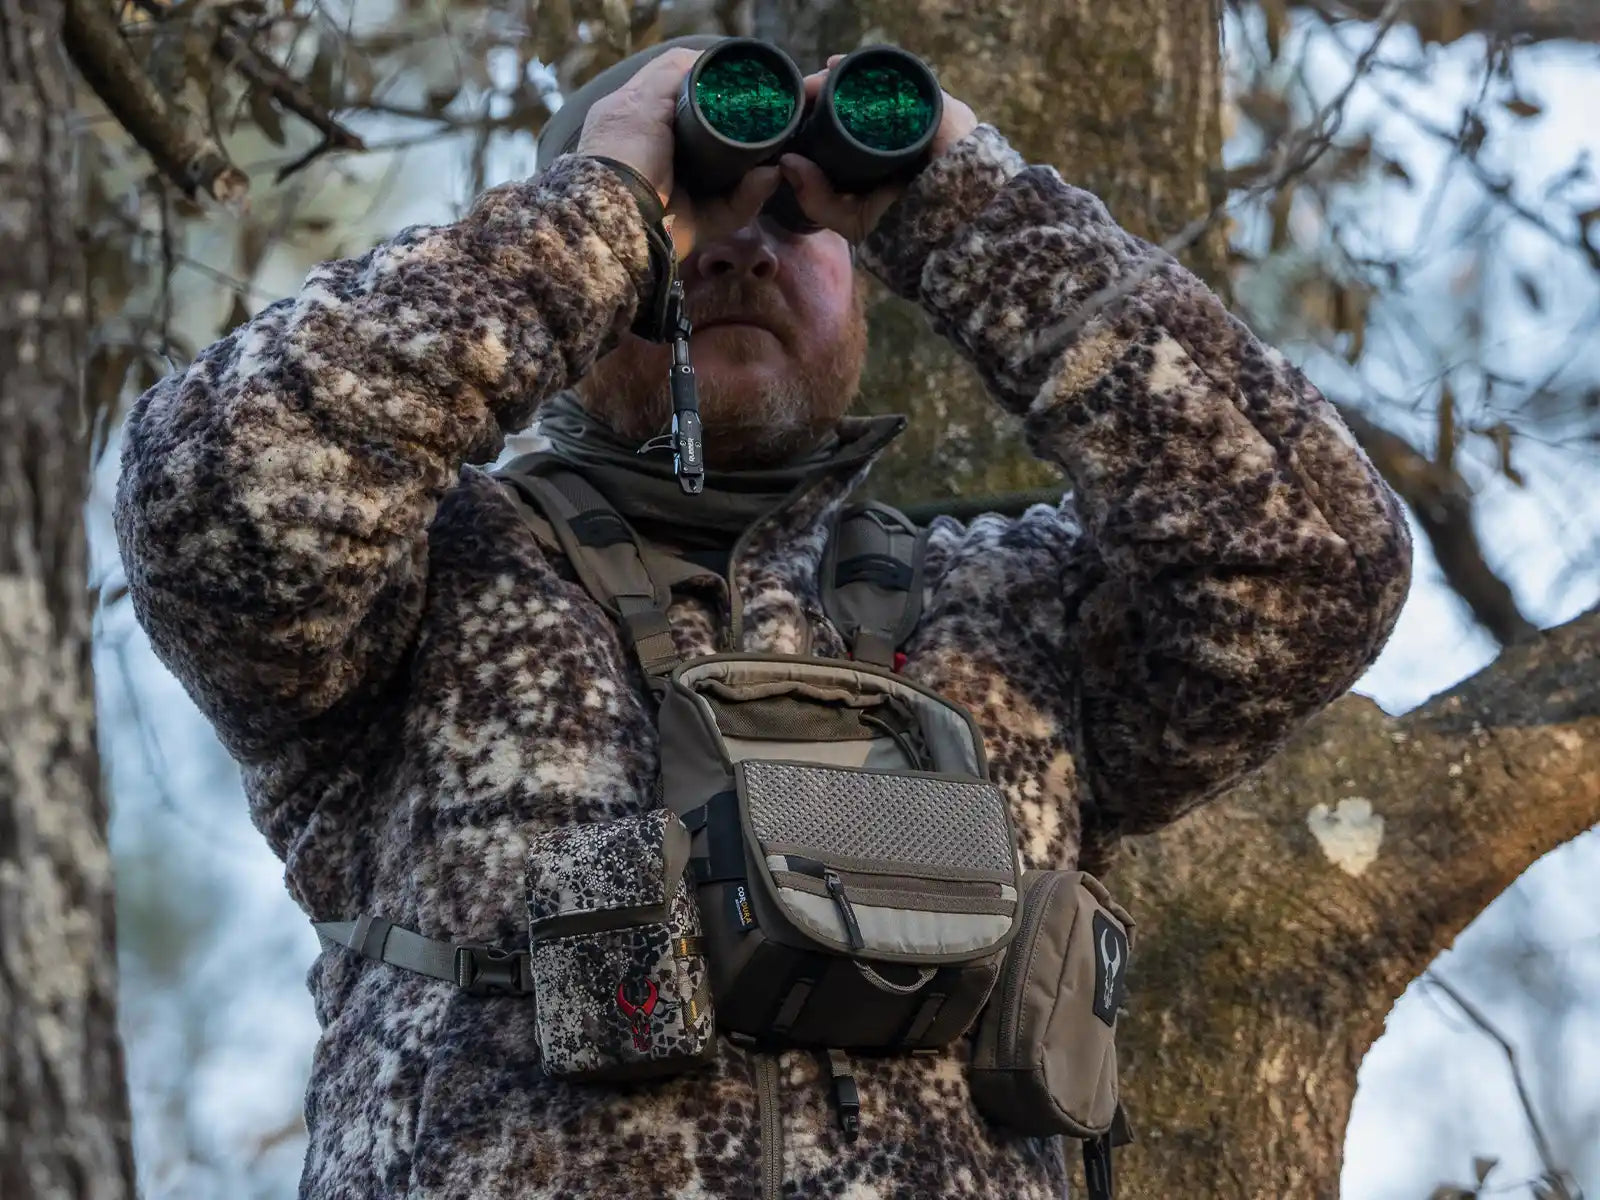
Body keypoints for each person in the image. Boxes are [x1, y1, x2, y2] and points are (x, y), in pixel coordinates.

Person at [114, 35, 1413, 1200]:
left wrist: (964, 203)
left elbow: (1318, 559)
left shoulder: (1007, 616)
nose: (740, 251)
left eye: (795, 223)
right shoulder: (420, 581)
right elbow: (215, 488)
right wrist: (597, 210)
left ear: (869, 274)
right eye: (688, 218)